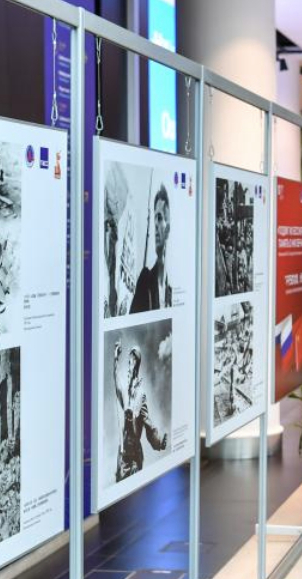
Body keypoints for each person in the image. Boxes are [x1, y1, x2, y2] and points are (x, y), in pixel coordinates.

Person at [112, 342, 168, 481]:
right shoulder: (126, 393)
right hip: (124, 454)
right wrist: (116, 359)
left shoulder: (140, 395)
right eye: (129, 361)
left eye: (132, 361)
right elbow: (117, 381)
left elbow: (147, 422)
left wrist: (158, 442)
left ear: (136, 366)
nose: (129, 366)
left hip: (134, 456)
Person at [130, 185, 172, 314]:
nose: (155, 224)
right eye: (154, 218)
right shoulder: (145, 279)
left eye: (159, 218)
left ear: (168, 229)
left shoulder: (169, 291)